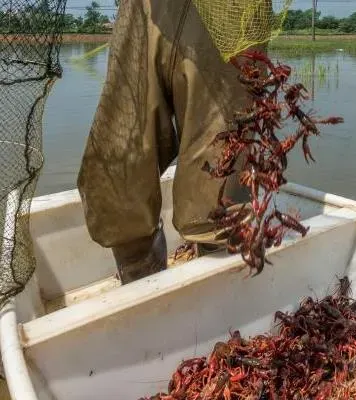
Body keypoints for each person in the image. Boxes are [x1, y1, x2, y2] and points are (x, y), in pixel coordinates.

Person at [77, 0, 265, 284]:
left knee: (218, 192)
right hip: (144, 9)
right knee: (116, 173)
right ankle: (143, 291)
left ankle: (219, 302)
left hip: (232, 12)